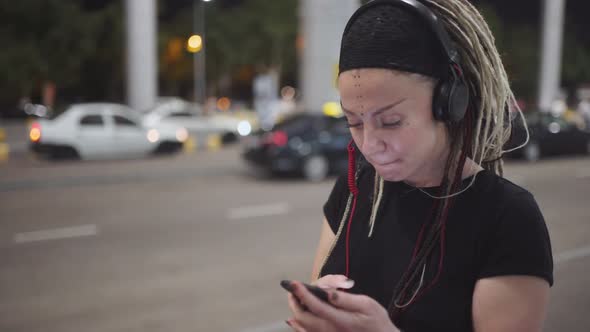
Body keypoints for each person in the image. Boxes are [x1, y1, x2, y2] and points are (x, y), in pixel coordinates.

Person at [285, 0, 553, 331]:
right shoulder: (354, 189)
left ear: (451, 104)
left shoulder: (507, 216)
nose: (369, 144)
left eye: (391, 121)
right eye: (353, 121)